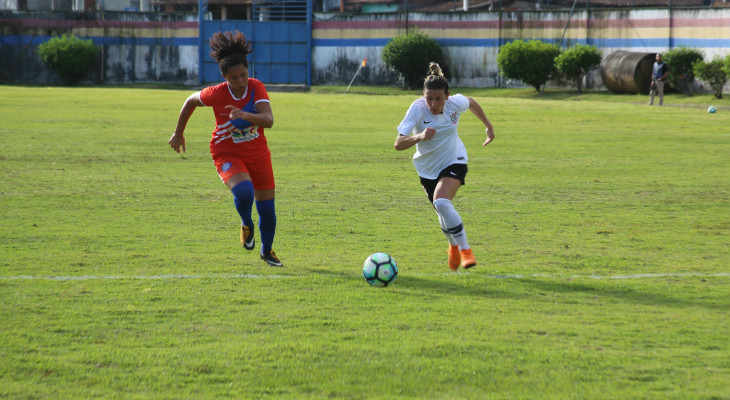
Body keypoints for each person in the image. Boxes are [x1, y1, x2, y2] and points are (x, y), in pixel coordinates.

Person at [168, 31, 283, 267]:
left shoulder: (256, 87)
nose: (240, 82)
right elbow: (190, 101)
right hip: (226, 153)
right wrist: (179, 132)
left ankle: (266, 250)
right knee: (243, 192)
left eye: (243, 75)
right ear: (224, 76)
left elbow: (268, 120)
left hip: (258, 154)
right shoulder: (216, 93)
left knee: (268, 210)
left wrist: (245, 115)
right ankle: (246, 223)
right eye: (234, 77)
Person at [394, 62, 495, 271]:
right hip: (427, 169)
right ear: (424, 95)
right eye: (429, 98)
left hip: (454, 159)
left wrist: (488, 126)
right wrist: (419, 136)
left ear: (447, 96)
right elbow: (398, 144)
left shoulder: (454, 104)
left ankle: (466, 250)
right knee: (442, 212)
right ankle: (453, 246)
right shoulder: (417, 108)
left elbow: (472, 102)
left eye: (438, 99)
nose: (433, 103)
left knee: (441, 202)